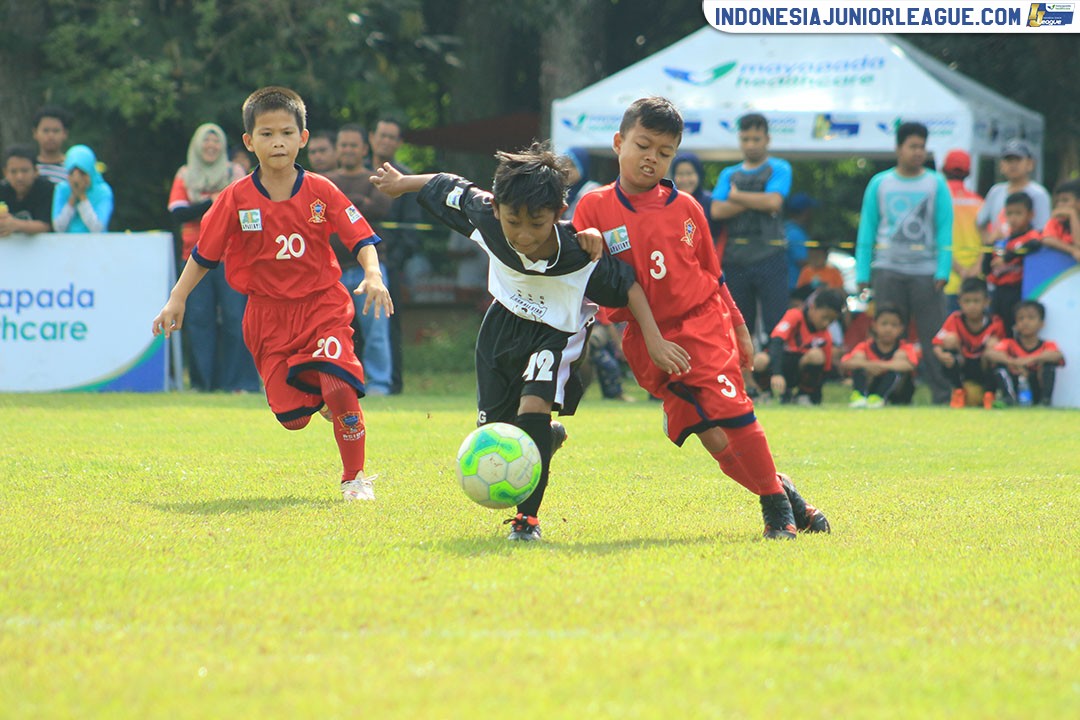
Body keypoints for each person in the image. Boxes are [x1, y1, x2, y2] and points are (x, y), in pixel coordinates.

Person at [371, 141, 690, 541]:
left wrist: (655, 340)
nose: (523, 235)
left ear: (558, 214)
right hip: (501, 325)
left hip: (555, 332)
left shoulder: (579, 251)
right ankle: (545, 438)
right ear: (498, 209)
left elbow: (628, 287)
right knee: (498, 432)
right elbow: (446, 185)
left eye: (537, 224)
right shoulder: (485, 214)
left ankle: (527, 522)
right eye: (513, 222)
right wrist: (402, 183)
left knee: (533, 408)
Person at [574, 96, 830, 540]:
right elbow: (596, 278)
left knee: (733, 413)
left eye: (664, 152)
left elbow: (713, 274)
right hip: (648, 340)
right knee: (713, 439)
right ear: (619, 143)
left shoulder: (688, 208)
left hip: (702, 324)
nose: (651, 158)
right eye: (643, 145)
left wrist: (740, 327)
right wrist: (586, 241)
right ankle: (787, 494)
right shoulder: (593, 208)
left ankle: (775, 511)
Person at [152, 86, 392, 501]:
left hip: (322, 307)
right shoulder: (234, 198)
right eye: (266, 134)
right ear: (249, 141)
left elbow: (361, 237)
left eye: (286, 132)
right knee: (292, 417)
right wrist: (177, 298)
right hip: (266, 318)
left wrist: (373, 274)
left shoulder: (322, 190)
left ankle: (354, 477)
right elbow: (204, 255)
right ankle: (323, 399)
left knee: (340, 386)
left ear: (302, 137)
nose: (277, 141)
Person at [855, 121, 952, 404]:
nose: (918, 152)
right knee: (887, 335)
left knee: (933, 336)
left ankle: (943, 395)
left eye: (922, 146)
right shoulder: (880, 183)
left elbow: (945, 228)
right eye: (912, 146)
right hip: (887, 269)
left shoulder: (936, 183)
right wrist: (863, 272)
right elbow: (867, 229)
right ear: (898, 148)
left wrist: (943, 269)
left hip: (926, 272)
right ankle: (886, 394)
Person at [167, 123, 260, 393]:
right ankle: (202, 384)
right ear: (197, 145)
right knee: (198, 320)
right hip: (194, 257)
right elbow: (177, 212)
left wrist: (209, 206)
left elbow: (247, 212)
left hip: (232, 257)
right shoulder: (185, 174)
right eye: (205, 142)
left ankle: (239, 384)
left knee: (236, 319)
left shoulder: (236, 173)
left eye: (216, 142)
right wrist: (216, 202)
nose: (211, 146)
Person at [709, 113, 791, 348]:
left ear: (767, 139)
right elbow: (716, 210)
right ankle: (744, 379)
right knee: (739, 324)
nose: (751, 145)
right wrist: (757, 199)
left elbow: (774, 203)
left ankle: (775, 375)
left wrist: (735, 197)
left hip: (771, 256)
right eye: (745, 139)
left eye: (756, 139)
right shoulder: (729, 173)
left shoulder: (780, 168)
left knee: (776, 322)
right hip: (736, 259)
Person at [326, 123, 394, 395]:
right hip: (332, 272)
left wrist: (345, 204)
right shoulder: (325, 180)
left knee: (376, 333)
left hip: (370, 271)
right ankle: (337, 381)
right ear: (337, 149)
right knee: (332, 331)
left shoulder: (374, 178)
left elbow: (379, 207)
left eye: (353, 145)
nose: (348, 150)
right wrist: (357, 203)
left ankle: (379, 384)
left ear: (364, 149)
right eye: (343, 145)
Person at [369, 117, 423, 395]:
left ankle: (393, 384)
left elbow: (412, 230)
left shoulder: (408, 178)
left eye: (392, 137)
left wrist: (394, 262)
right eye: (382, 135)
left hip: (390, 265)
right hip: (354, 261)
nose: (386, 141)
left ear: (399, 143)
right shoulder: (358, 173)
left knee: (389, 327)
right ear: (372, 137)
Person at [753, 288, 845, 405]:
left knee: (816, 356)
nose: (826, 323)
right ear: (813, 307)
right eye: (824, 317)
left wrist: (817, 395)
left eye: (831, 321)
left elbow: (824, 371)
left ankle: (803, 395)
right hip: (778, 365)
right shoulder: (795, 315)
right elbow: (776, 341)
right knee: (759, 360)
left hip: (799, 371)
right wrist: (777, 373)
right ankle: (766, 393)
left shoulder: (825, 336)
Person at [931, 277, 1006, 409]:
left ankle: (990, 394)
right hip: (963, 364)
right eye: (967, 301)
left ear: (986, 302)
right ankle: (958, 391)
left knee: (995, 347)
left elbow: (1004, 350)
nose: (972, 306)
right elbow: (936, 344)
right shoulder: (955, 319)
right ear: (959, 302)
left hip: (983, 365)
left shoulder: (995, 322)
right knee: (949, 341)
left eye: (976, 301)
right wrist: (942, 355)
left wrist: (994, 348)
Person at [984, 300, 1065, 407]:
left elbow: (1057, 355)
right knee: (1000, 366)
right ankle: (1009, 399)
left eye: (1031, 318)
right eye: (1021, 318)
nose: (1025, 322)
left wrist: (1030, 359)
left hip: (1035, 383)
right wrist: (1013, 362)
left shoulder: (1046, 344)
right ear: (1016, 325)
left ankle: (1045, 401)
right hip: (1016, 383)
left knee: (1049, 366)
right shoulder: (1010, 343)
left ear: (1041, 323)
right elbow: (989, 353)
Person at [982, 192, 1040, 336]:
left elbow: (1034, 244)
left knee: (1015, 330)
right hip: (997, 291)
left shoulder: (1031, 236)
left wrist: (1007, 257)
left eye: (1018, 213)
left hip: (1018, 291)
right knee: (995, 329)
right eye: (1009, 213)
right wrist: (989, 245)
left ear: (1030, 215)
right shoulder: (1002, 240)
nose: (1013, 218)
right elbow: (985, 269)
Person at [842, 303, 920, 408]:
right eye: (884, 324)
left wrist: (881, 365)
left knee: (899, 359)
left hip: (898, 392)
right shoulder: (865, 346)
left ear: (901, 329)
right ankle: (860, 396)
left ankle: (879, 398)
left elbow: (910, 365)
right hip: (872, 385)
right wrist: (868, 365)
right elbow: (846, 362)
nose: (888, 329)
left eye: (894, 325)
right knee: (859, 358)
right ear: (874, 326)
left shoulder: (905, 348)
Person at [977, 139, 1051, 241]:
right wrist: (989, 243)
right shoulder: (996, 191)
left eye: (1018, 160)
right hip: (998, 253)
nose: (1013, 165)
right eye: (1008, 160)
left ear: (1030, 164)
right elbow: (980, 223)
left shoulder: (1038, 194)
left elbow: (1042, 230)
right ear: (1001, 165)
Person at [941, 150, 985, 313]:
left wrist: (959, 270)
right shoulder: (979, 202)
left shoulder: (938, 201)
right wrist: (975, 268)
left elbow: (935, 239)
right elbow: (987, 240)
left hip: (946, 280)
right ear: (968, 173)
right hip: (975, 281)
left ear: (943, 169)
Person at [51, 145, 113, 233]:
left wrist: (82, 196)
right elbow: (59, 228)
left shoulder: (103, 191)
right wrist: (72, 198)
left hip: (96, 245)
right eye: (72, 173)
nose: (77, 179)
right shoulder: (62, 189)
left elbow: (98, 228)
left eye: (82, 173)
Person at [0, 145, 53, 236]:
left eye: (24, 171)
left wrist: (15, 224)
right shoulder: (2, 190)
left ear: (36, 171)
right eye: (13, 171)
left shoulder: (46, 189)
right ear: (5, 173)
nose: (19, 177)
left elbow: (45, 225)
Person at [1040, 178, 1080, 262]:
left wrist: (1073, 216)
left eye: (1065, 200)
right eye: (1057, 201)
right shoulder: (1055, 222)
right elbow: (1047, 239)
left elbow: (1079, 244)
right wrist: (1072, 250)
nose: (1060, 204)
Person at [783, 192, 816, 291]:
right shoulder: (795, 233)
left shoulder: (786, 228)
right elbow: (803, 261)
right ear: (806, 212)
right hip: (795, 288)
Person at [32, 105, 70, 185]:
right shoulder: (28, 168)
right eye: (46, 131)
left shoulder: (72, 168)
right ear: (35, 133)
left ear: (65, 134)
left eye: (56, 131)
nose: (50, 136)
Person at [563, 147, 602, 219]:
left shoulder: (592, 190)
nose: (567, 170)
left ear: (583, 166)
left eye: (572, 165)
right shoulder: (564, 192)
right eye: (564, 165)